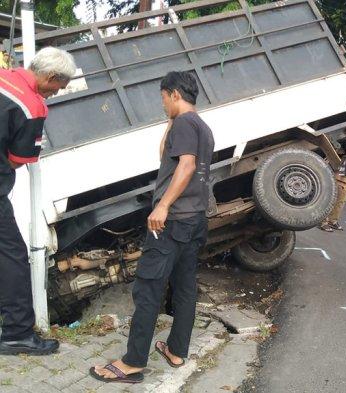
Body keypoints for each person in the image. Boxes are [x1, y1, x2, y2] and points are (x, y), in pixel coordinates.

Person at [90, 71, 215, 384]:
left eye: (163, 98)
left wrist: (162, 205)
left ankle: (133, 363)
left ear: (173, 94)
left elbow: (185, 166)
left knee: (147, 289)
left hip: (171, 222)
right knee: (185, 287)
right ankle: (176, 350)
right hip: (196, 220)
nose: (162, 104)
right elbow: (165, 157)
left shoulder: (185, 123)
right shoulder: (201, 126)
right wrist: (170, 121)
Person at [0, 47, 76, 356]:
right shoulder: (33, 106)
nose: (57, 92)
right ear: (51, 77)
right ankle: (17, 333)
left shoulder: (3, 77)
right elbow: (20, 159)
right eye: (60, 86)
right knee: (13, 257)